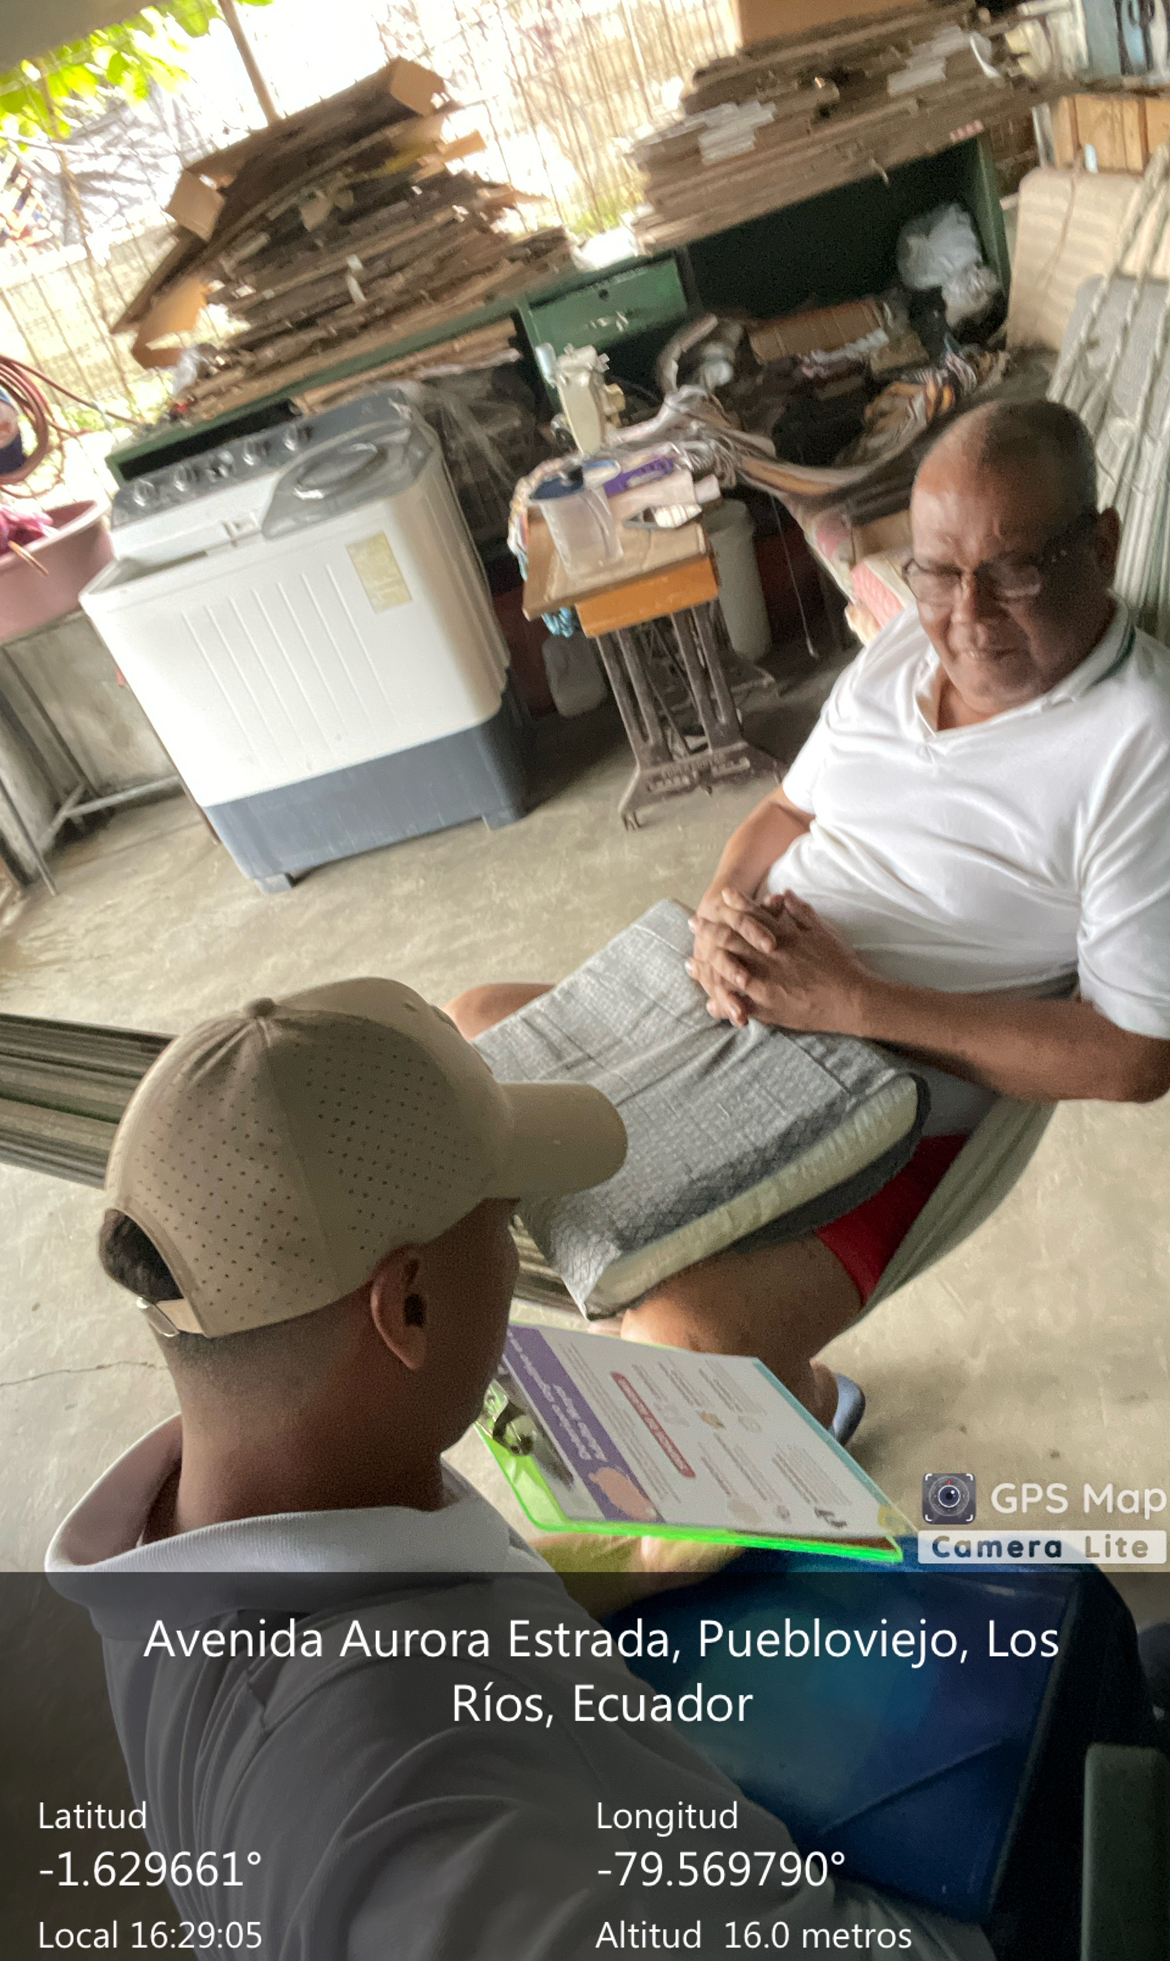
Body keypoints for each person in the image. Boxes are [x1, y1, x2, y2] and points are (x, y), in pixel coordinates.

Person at [45, 979, 989, 1959]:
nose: (512, 1258)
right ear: (405, 1307)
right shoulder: (426, 1838)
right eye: (501, 1227)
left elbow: (422, 1603)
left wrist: (634, 1562)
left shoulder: (208, 1517)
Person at [447, 400, 1170, 1430]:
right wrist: (720, 912)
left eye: (1013, 571)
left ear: (1100, 544)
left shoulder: (1141, 745)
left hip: (886, 1082)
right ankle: (781, 1381)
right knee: (462, 1044)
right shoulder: (903, 652)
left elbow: (1137, 1056)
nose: (968, 616)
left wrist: (856, 1002)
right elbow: (787, 811)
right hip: (745, 996)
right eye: (938, 572)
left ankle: (781, 1394)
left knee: (672, 1342)